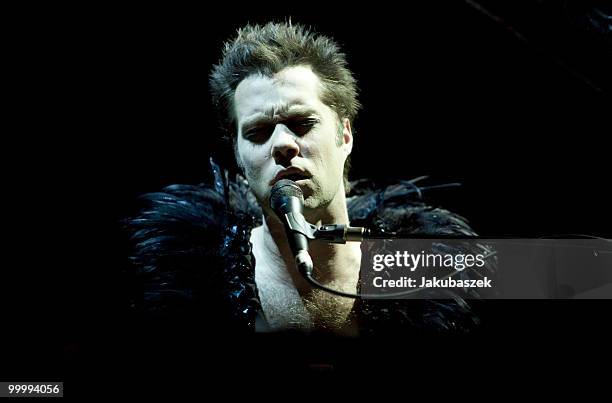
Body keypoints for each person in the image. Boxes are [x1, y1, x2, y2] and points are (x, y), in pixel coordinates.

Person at [127, 21, 487, 335]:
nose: (283, 144)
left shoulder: (432, 274)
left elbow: (540, 277)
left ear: (344, 136)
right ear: (237, 155)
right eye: (258, 132)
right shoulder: (184, 284)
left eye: (302, 124)